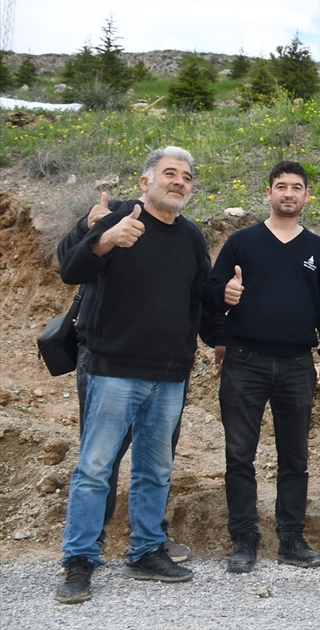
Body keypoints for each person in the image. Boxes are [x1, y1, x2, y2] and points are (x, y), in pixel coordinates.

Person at [55, 147, 210, 604]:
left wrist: (227, 306)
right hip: (113, 368)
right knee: (96, 468)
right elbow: (70, 268)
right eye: (169, 173)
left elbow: (198, 298)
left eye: (185, 177)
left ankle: (145, 549)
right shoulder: (118, 218)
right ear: (145, 182)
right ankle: (80, 558)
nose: (178, 181)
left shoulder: (192, 237)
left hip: (169, 373)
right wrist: (103, 238)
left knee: (155, 469)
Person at [203, 161, 320, 574]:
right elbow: (208, 294)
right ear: (268, 193)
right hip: (244, 361)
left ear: (306, 196)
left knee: (294, 457)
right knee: (239, 455)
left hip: (299, 364)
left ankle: (291, 538)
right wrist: (222, 322)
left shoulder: (317, 249)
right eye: (281, 186)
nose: (288, 193)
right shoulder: (241, 242)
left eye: (296, 187)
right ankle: (244, 539)